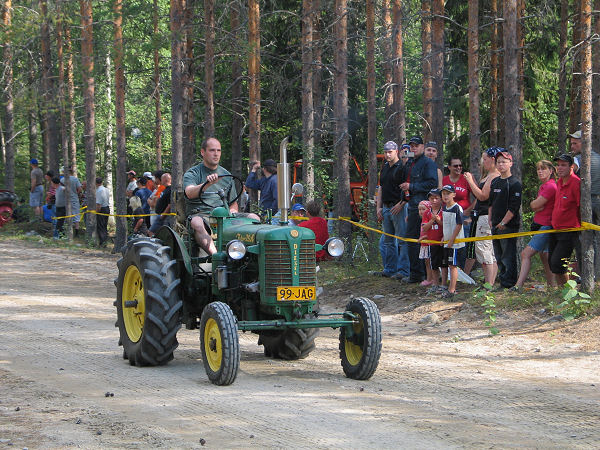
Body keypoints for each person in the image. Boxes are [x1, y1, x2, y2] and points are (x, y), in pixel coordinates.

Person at [184, 137, 259, 255]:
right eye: (212, 150)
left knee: (254, 218)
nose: (216, 154)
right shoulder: (193, 173)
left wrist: (231, 214)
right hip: (203, 215)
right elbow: (189, 193)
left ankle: (246, 256)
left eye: (218, 151)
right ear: (203, 152)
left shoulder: (226, 175)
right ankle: (217, 256)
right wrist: (206, 185)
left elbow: (233, 204)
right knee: (196, 222)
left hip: (225, 217)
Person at [399, 135, 438, 283]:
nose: (413, 148)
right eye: (411, 146)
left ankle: (420, 274)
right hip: (412, 205)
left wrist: (412, 186)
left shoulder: (428, 163)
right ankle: (416, 273)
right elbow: (399, 178)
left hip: (423, 208)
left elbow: (432, 184)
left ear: (422, 146)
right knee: (412, 240)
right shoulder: (410, 162)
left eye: (416, 145)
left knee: (419, 240)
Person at [514, 161, 557, 290]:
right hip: (541, 224)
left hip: (546, 225)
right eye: (538, 169)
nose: (540, 171)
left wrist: (536, 205)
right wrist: (537, 206)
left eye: (543, 169)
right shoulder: (543, 186)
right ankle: (552, 286)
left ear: (551, 171)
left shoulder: (550, 186)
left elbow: (534, 205)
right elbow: (535, 206)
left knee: (525, 254)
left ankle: (518, 285)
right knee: (545, 257)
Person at [463, 147, 501, 286]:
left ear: (492, 160)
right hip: (481, 215)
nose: (483, 162)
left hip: (486, 216)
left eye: (485, 159)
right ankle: (488, 282)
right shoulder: (487, 175)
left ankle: (489, 284)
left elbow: (482, 196)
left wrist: (470, 181)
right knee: (486, 250)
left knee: (484, 250)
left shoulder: (494, 176)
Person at [373, 140, 408, 278]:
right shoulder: (385, 167)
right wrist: (379, 207)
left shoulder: (402, 168)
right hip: (386, 207)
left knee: (402, 239)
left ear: (396, 152)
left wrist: (401, 204)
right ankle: (389, 268)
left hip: (398, 206)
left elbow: (407, 189)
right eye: (386, 152)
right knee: (388, 241)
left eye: (390, 152)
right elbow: (381, 188)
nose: (387, 154)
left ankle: (404, 270)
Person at [488, 151, 522, 289]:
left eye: (504, 162)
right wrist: (490, 220)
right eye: (498, 162)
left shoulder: (514, 183)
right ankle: (503, 282)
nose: (501, 164)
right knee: (498, 255)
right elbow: (491, 203)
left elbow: (514, 207)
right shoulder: (495, 181)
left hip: (508, 226)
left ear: (510, 163)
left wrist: (504, 222)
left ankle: (509, 283)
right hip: (495, 225)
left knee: (508, 256)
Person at [548, 154, 581, 285]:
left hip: (569, 230)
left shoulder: (576, 183)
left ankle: (568, 291)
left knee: (558, 263)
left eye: (563, 165)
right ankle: (563, 293)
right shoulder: (560, 182)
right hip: (555, 228)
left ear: (571, 167)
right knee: (553, 264)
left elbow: (582, 208)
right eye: (558, 165)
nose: (559, 168)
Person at [443, 157, 475, 267]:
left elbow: (478, 196)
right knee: (448, 241)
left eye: (460, 165)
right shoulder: (444, 180)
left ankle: (462, 270)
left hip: (463, 217)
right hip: (448, 217)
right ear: (449, 167)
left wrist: (469, 210)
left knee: (462, 244)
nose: (459, 168)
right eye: (455, 166)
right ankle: (449, 268)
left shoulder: (466, 179)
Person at [441, 185, 465, 299]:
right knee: (447, 264)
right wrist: (444, 237)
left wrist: (452, 240)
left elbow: (459, 225)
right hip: (447, 241)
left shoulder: (457, 208)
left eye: (448, 193)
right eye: (443, 194)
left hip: (455, 242)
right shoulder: (444, 208)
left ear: (454, 195)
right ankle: (446, 286)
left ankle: (452, 289)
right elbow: (445, 225)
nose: (445, 196)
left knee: (452, 265)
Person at [421, 189, 444, 292]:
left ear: (441, 198)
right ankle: (435, 284)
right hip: (432, 242)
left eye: (436, 198)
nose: (434, 200)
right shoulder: (426, 213)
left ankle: (443, 284)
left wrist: (438, 220)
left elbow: (446, 226)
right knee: (433, 264)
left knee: (444, 264)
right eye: (431, 198)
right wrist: (432, 220)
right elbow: (424, 228)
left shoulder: (445, 210)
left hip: (442, 242)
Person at [417, 200, 434, 286]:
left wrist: (424, 237)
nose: (421, 211)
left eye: (423, 209)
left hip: (430, 244)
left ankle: (433, 279)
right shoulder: (422, 221)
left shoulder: (431, 220)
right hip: (424, 245)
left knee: (431, 262)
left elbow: (433, 232)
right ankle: (429, 278)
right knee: (427, 262)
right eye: (419, 209)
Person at [95, 177, 110, 247]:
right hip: (107, 208)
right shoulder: (106, 189)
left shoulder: (99, 191)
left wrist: (96, 212)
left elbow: (98, 204)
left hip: (102, 209)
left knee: (100, 226)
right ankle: (105, 241)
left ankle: (102, 242)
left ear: (96, 183)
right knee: (104, 226)